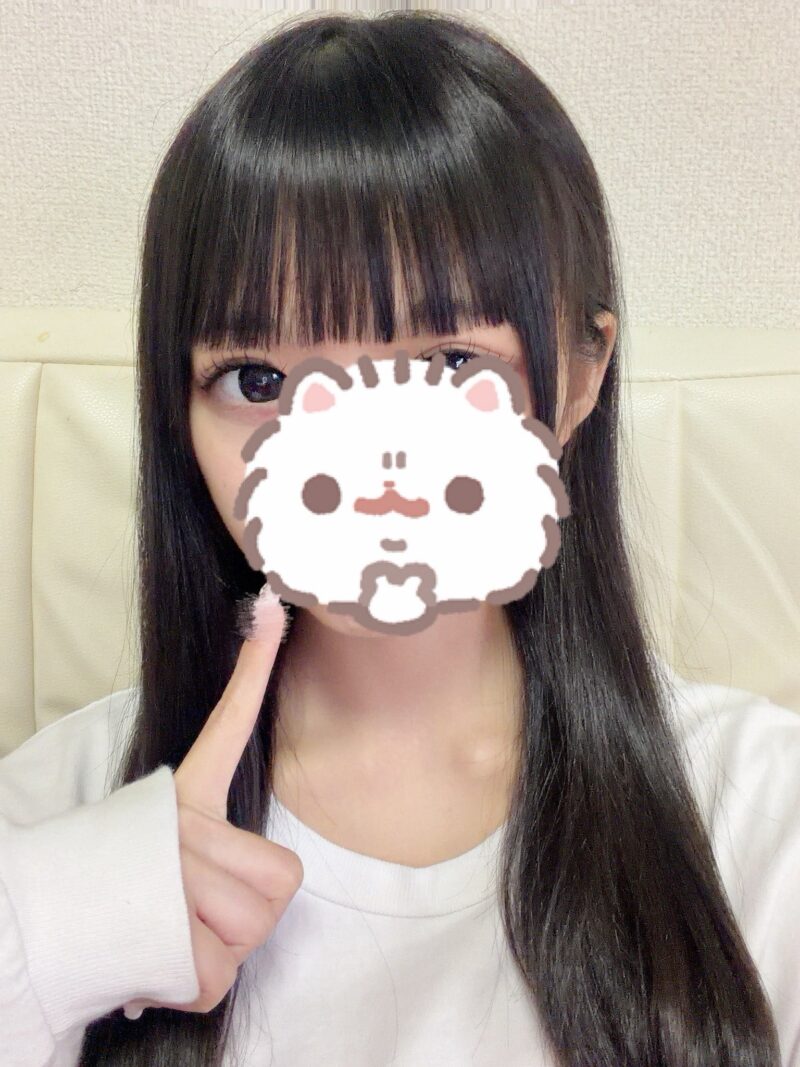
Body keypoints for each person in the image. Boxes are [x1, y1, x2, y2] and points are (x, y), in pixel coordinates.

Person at [1, 10, 797, 1067]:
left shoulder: (761, 812)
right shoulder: (56, 816)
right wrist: (60, 931)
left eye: (451, 364)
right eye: (259, 378)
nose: (376, 467)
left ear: (581, 377)